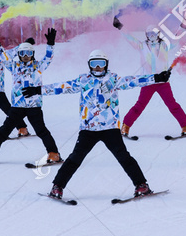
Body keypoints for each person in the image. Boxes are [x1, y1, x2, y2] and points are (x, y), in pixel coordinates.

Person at [43, 49, 171, 200]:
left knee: (124, 157)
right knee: (75, 159)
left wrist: (156, 78)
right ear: (89, 65)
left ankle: (141, 185)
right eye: (94, 64)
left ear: (106, 64)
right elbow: (62, 87)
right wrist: (37, 90)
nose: (98, 67)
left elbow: (133, 81)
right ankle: (57, 187)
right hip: (88, 130)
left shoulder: (113, 79)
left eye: (101, 64)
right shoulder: (83, 80)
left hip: (110, 129)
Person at [0, 29, 61, 166]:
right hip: (17, 107)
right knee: (4, 130)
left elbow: (48, 58)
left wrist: (50, 44)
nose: (25, 56)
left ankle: (53, 154)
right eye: (22, 53)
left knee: (41, 131)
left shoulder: (38, 66)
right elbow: (4, 57)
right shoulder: (14, 66)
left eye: (29, 53)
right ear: (18, 55)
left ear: (33, 54)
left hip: (34, 106)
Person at [113, 16, 186, 137]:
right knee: (139, 106)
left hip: (163, 82)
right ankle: (125, 127)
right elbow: (129, 38)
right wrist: (120, 27)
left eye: (154, 33)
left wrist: (184, 25)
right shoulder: (141, 46)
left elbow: (176, 37)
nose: (152, 36)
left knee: (172, 105)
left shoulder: (165, 45)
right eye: (149, 34)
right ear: (146, 35)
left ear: (158, 34)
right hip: (148, 82)